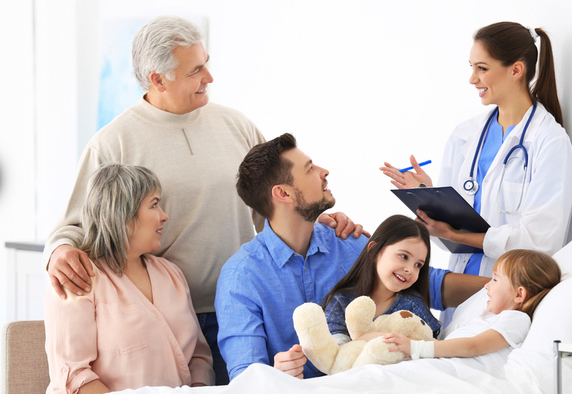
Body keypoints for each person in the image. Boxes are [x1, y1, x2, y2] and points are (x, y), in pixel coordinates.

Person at [42, 15, 363, 385]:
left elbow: (276, 198)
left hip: (245, 310)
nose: (209, 77)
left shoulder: (236, 125)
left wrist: (316, 220)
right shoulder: (113, 142)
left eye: (206, 63)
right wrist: (59, 252)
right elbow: (75, 226)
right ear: (158, 79)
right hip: (170, 322)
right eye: (196, 70)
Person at [216, 134, 485, 380]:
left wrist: (512, 285)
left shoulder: (346, 241)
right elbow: (244, 377)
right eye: (310, 168)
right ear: (283, 193)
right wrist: (275, 373)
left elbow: (428, 283)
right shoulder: (240, 277)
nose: (324, 172)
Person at [380, 22, 572, 324]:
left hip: (508, 295)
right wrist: (431, 196)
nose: (473, 79)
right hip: (458, 292)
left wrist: (460, 234)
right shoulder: (465, 135)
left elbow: (540, 243)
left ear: (516, 70)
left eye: (482, 68)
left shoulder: (549, 141)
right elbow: (448, 236)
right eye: (472, 67)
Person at [44, 164, 214, 393]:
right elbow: (74, 376)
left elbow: (199, 358)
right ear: (123, 214)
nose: (165, 216)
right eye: (154, 204)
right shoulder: (79, 280)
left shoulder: (172, 275)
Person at [383, 249, 560, 374]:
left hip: (457, 373)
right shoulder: (489, 317)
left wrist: (416, 348)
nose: (487, 285)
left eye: (495, 280)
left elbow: (472, 346)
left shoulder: (516, 319)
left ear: (519, 294)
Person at [323, 215, 441, 345]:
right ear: (374, 251)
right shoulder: (341, 301)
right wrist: (373, 339)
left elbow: (431, 347)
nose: (410, 270)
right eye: (404, 256)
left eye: (418, 265)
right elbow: (336, 353)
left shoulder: (413, 306)